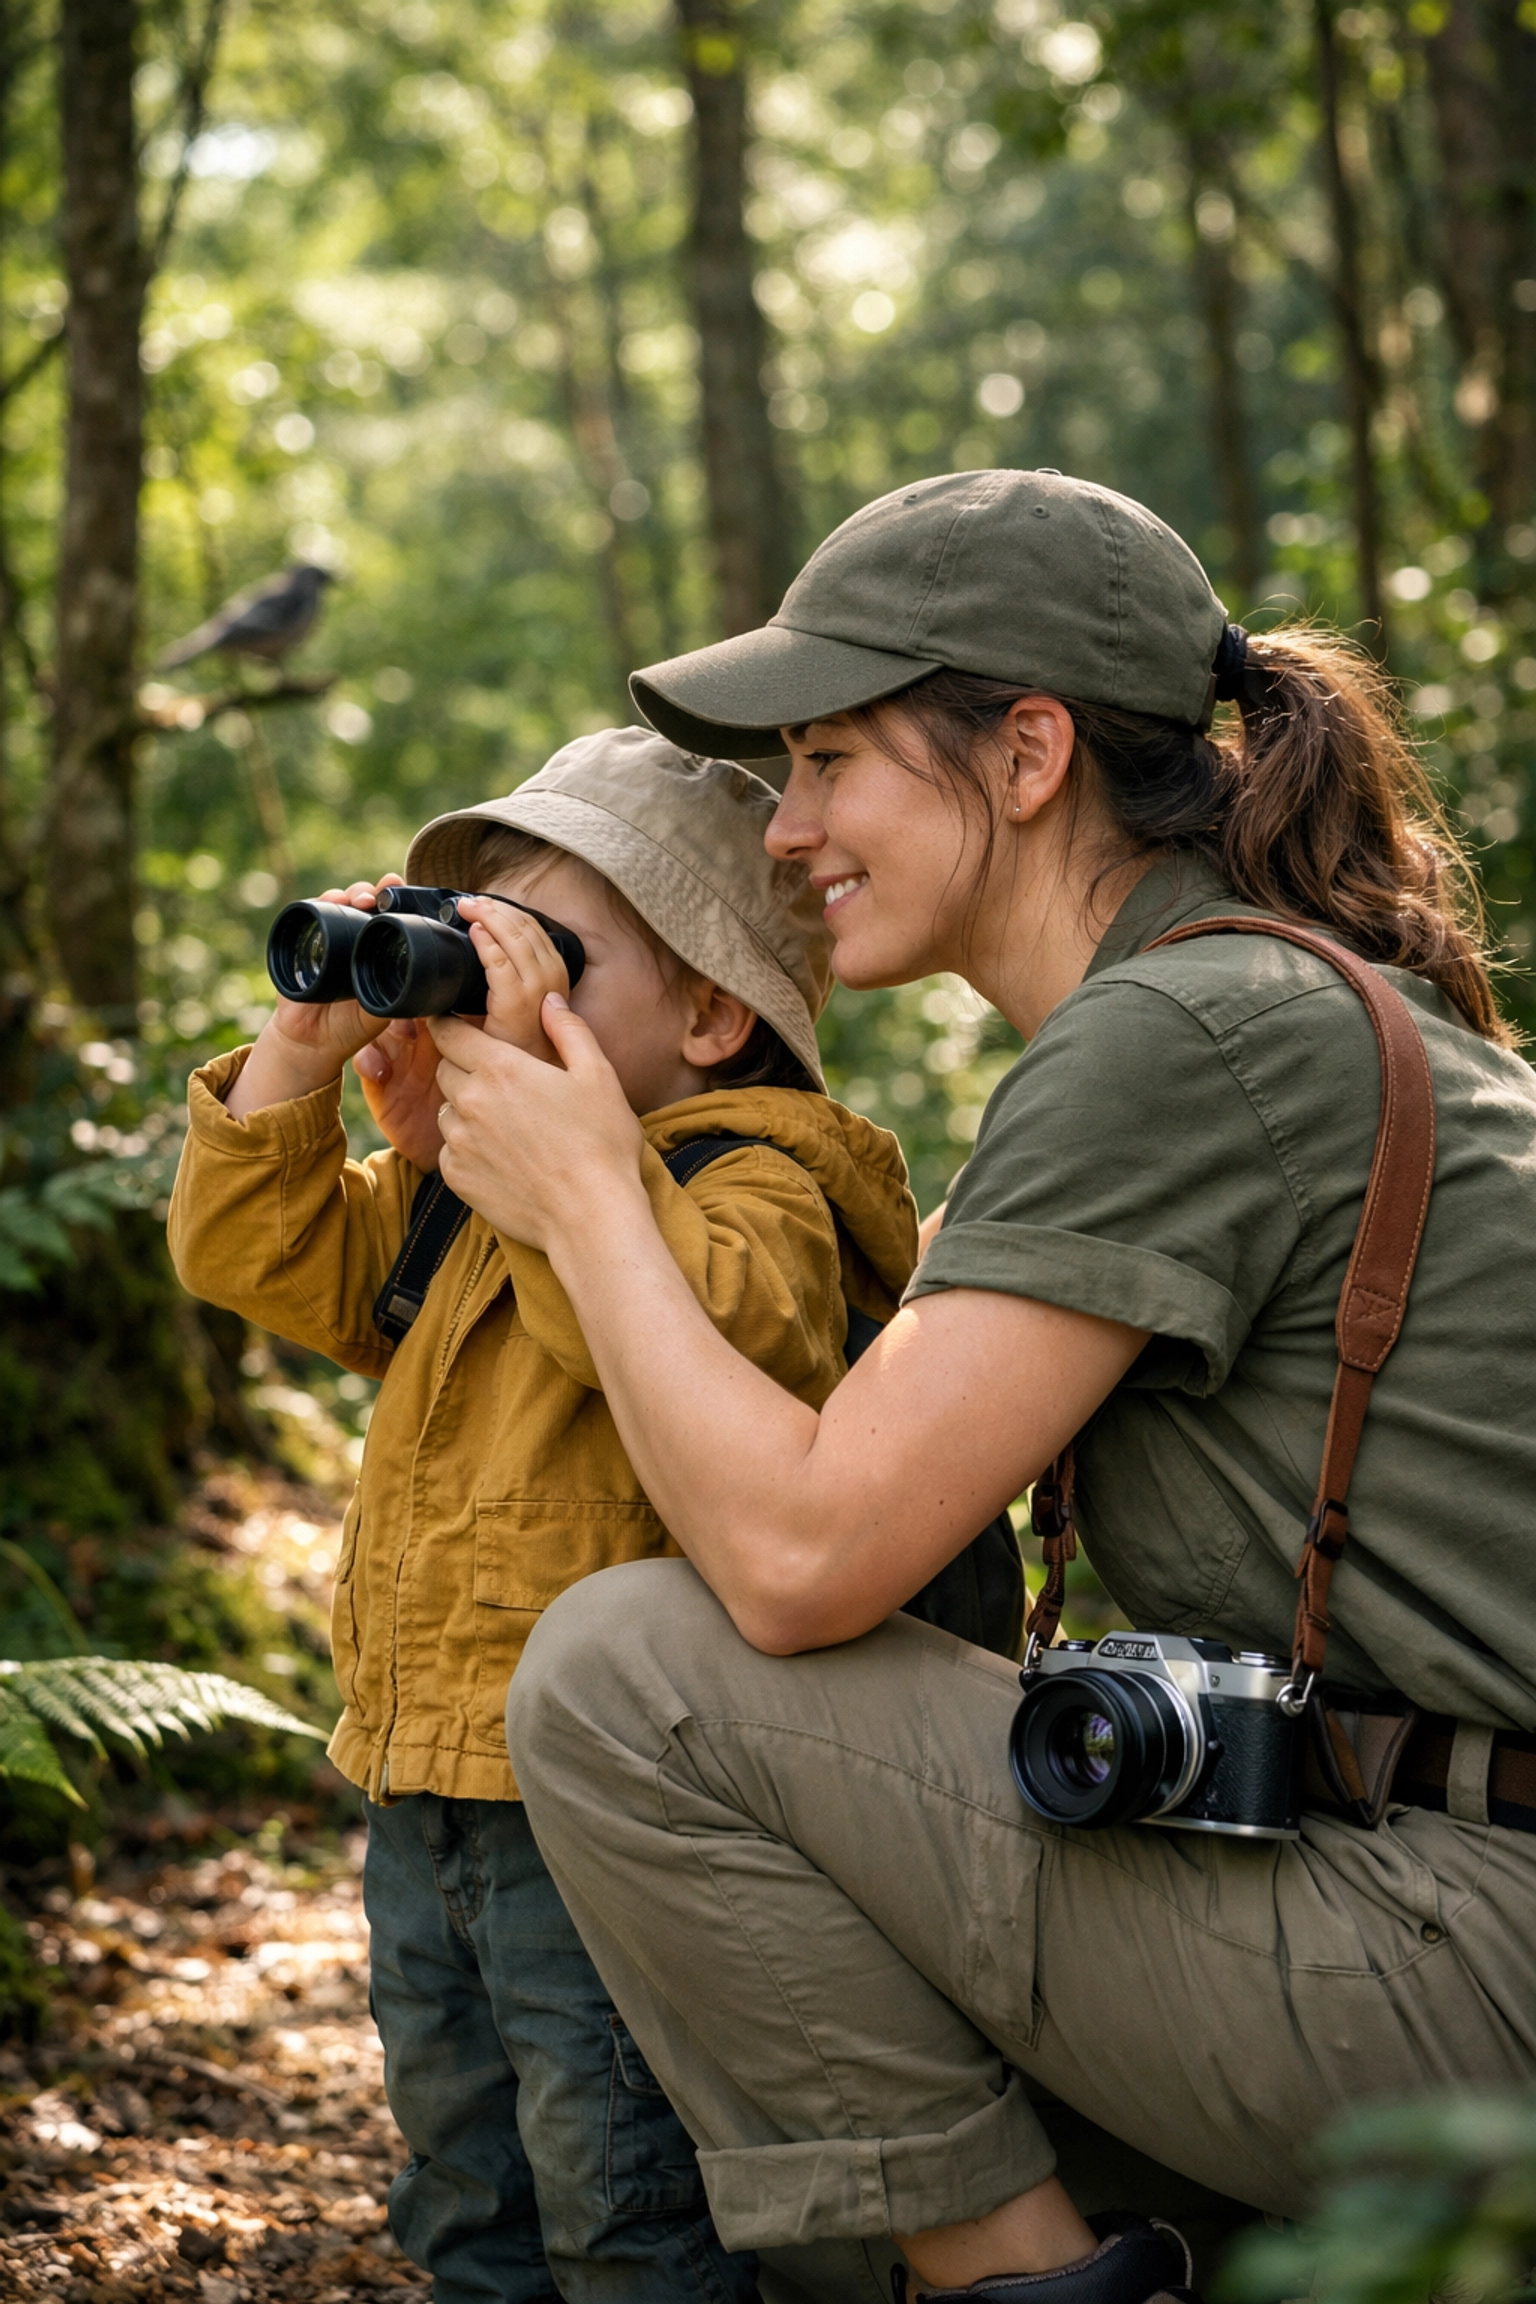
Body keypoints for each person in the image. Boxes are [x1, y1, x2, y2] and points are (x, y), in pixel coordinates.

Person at [414, 471, 1536, 2304]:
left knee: (629, 1683)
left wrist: (590, 1199)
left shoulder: (1181, 1036)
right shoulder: (1246, 1003)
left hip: (1464, 1959)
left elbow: (794, 1562)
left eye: (835, 759)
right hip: (1415, 1901)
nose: (788, 833)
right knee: (790, 2168)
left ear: (1026, 757)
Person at [167, 728, 920, 2304]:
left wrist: (563, 1180)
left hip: (600, 1814)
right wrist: (306, 1052)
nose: (484, 983)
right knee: (464, 2185)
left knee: (622, 2192)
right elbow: (259, 1257)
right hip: (420, 1772)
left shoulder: (756, 1188)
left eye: (546, 958)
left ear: (714, 1015)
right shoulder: (478, 1187)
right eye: (465, 942)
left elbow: (718, 1342)